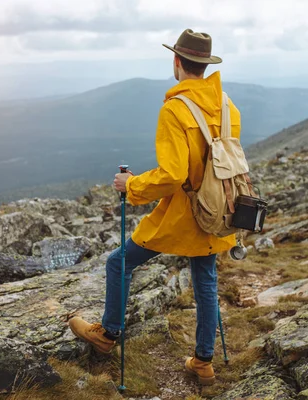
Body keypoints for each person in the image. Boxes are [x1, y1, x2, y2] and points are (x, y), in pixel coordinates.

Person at [69, 29, 241, 386]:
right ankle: (204, 362)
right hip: (216, 210)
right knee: (205, 281)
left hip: (182, 215)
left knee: (119, 263)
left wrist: (132, 185)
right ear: (205, 65)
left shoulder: (175, 109)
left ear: (177, 61)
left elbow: (174, 174)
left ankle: (108, 333)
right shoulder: (227, 106)